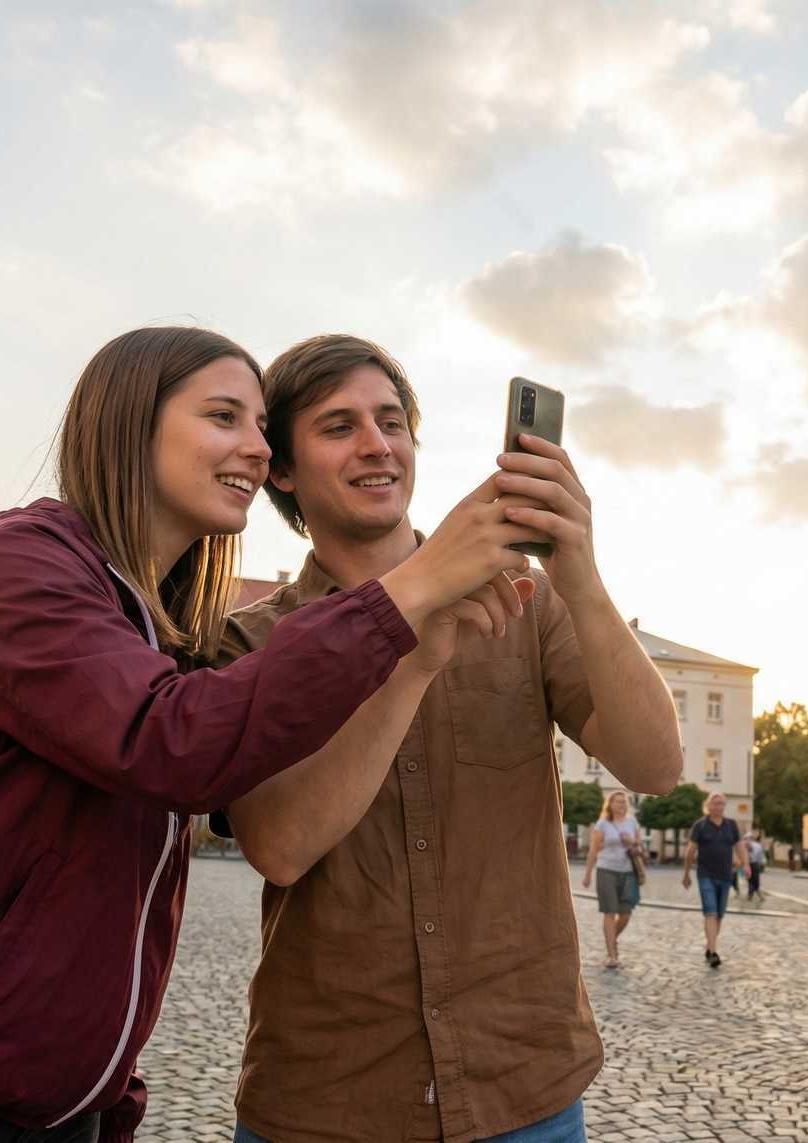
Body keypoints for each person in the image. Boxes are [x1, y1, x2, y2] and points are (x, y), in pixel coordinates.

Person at [0, 326, 531, 1143]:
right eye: (224, 417)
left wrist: (107, 1092)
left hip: (41, 1102)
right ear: (131, 423)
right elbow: (171, 742)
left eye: (262, 430)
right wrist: (409, 592)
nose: (255, 450)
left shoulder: (149, 624)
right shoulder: (20, 560)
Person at [213, 334, 682, 1143]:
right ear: (281, 469)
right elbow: (281, 845)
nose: (377, 445)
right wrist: (412, 658)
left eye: (392, 421)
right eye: (338, 426)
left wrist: (581, 574)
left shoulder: (527, 601)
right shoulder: (249, 640)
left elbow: (656, 762)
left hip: (524, 1086)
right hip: (329, 1099)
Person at [682, 792, 748, 968]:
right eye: (715, 803)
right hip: (705, 875)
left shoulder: (731, 825)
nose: (718, 806)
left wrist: (746, 865)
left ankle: (709, 946)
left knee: (719, 915)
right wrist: (686, 874)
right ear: (708, 806)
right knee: (710, 912)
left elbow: (740, 846)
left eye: (721, 804)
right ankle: (713, 951)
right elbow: (690, 852)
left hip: (725, 876)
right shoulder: (700, 826)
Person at [583, 790, 645, 969]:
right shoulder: (602, 824)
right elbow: (593, 851)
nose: (620, 805)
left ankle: (612, 940)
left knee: (625, 914)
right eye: (617, 802)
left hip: (628, 872)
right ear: (610, 805)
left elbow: (640, 849)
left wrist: (632, 843)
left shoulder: (632, 823)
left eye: (623, 802)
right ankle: (611, 955)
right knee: (609, 912)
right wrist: (588, 874)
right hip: (606, 870)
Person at [745, 831, 766, 901]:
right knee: (750, 880)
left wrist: (762, 863)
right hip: (749, 864)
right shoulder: (746, 845)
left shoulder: (757, 846)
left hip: (754, 864)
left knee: (754, 880)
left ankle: (753, 895)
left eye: (748, 838)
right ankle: (752, 895)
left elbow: (761, 855)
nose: (747, 840)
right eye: (746, 838)